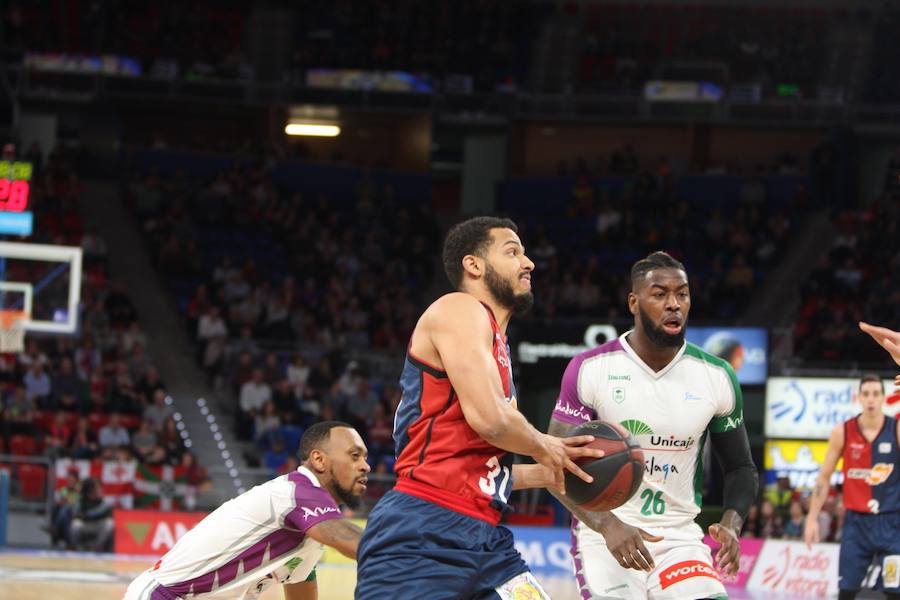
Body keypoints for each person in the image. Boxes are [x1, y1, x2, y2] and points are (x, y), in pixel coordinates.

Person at [355, 216, 603, 599]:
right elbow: (490, 420)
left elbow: (479, 468)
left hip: (487, 541)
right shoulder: (459, 308)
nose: (529, 262)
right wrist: (547, 446)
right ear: (474, 265)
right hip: (424, 530)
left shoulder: (495, 345)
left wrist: (556, 468)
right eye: (513, 251)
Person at [549, 251, 758, 599]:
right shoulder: (591, 369)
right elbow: (553, 461)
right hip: (606, 534)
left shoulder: (717, 375)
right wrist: (606, 525)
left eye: (682, 293)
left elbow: (740, 467)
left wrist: (733, 525)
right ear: (634, 302)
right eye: (660, 294)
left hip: (679, 537)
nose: (673, 304)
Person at [124, 421, 370, 600]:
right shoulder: (298, 493)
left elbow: (300, 583)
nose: (365, 466)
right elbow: (354, 542)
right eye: (354, 455)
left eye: (365, 458)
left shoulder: (312, 526)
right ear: (318, 460)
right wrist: (405, 553)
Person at [804, 375, 900, 600]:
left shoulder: (895, 428)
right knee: (846, 592)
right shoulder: (843, 431)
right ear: (858, 398)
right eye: (866, 394)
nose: (871, 399)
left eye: (876, 394)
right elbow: (824, 478)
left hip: (892, 523)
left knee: (895, 593)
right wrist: (811, 519)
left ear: (883, 398)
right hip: (856, 524)